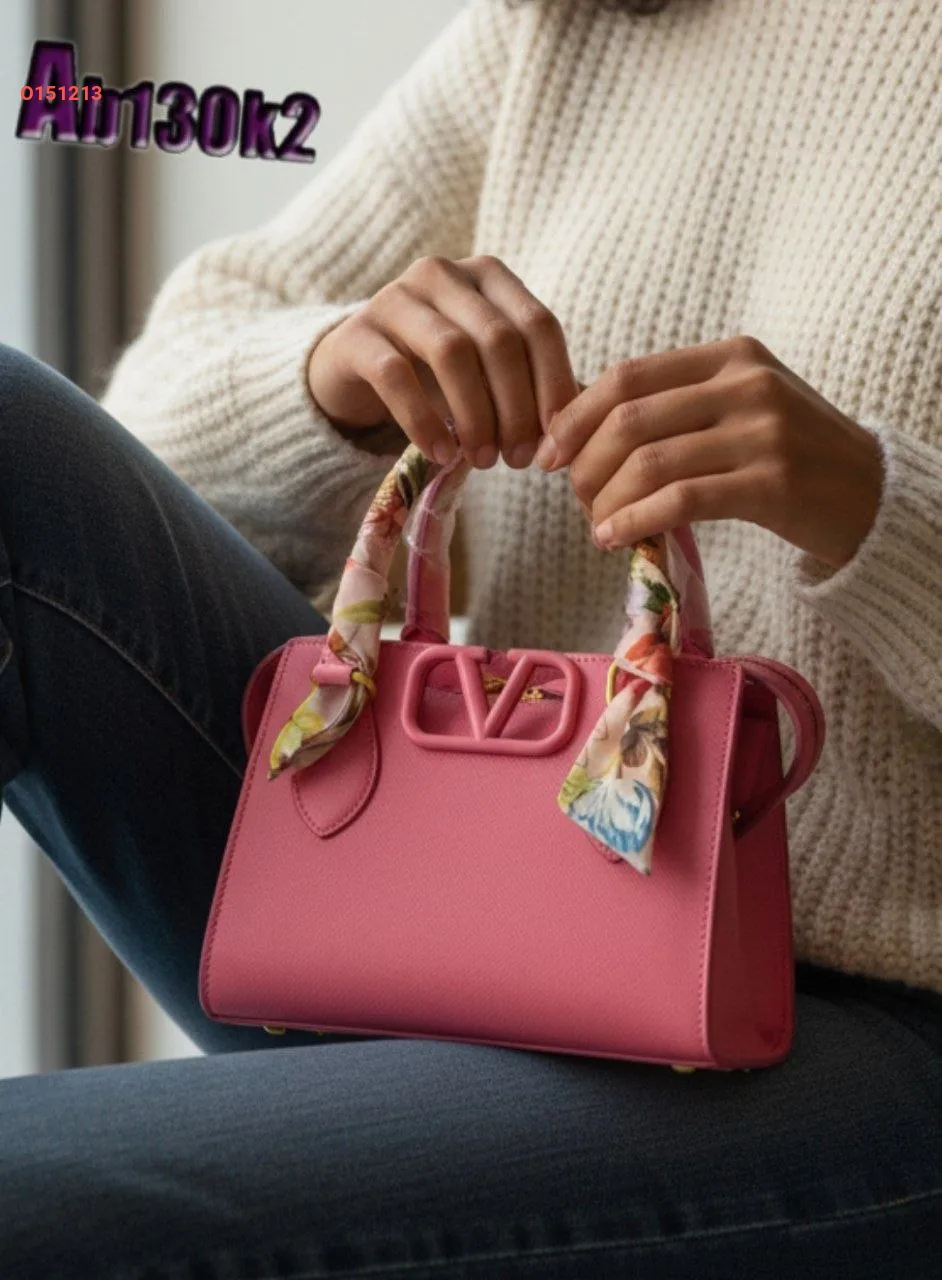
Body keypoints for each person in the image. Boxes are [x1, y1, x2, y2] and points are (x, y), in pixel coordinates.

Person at [1, 0, 940, 1273]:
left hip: (869, 1029)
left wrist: (877, 509)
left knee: (35, 1189)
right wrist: (332, 384)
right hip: (460, 895)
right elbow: (144, 455)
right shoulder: (569, 26)